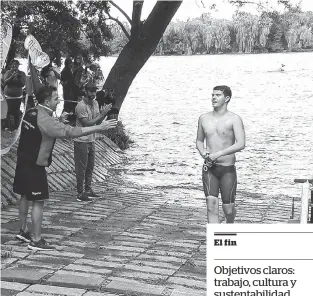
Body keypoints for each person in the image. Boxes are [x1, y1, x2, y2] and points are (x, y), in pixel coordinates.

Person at [13, 85, 117, 250]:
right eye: (56, 98)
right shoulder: (45, 120)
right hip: (35, 165)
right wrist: (99, 127)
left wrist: (59, 121)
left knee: (24, 196)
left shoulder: (31, 111)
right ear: (47, 100)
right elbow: (71, 132)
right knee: (38, 202)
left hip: (22, 161)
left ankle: (23, 230)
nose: (59, 100)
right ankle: (37, 240)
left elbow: (44, 127)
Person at [196, 85, 245, 224]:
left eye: (218, 95)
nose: (213, 98)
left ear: (227, 98)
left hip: (227, 169)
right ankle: (216, 239)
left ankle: (230, 222)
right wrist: (203, 151)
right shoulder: (203, 118)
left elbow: (241, 144)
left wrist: (219, 154)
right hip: (209, 168)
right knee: (211, 206)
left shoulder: (234, 119)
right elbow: (199, 141)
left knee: (228, 209)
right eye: (212, 95)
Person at [74, 82, 112, 201]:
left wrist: (103, 115)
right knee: (81, 167)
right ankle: (80, 193)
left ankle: (88, 189)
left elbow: (97, 123)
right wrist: (102, 114)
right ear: (85, 91)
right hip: (81, 140)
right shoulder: (80, 106)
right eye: (91, 91)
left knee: (90, 167)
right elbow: (87, 124)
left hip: (91, 140)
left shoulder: (95, 103)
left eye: (95, 91)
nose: (93, 94)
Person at [2, 60, 26, 131]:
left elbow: (22, 84)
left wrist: (18, 77)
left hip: (17, 97)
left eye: (16, 65)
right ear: (11, 65)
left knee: (16, 112)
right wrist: (12, 77)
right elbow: (5, 82)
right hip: (8, 96)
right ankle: (6, 126)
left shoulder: (22, 73)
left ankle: (16, 127)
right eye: (13, 64)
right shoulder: (8, 72)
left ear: (18, 66)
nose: (14, 66)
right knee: (7, 111)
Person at [61, 57, 75, 124]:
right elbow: (63, 82)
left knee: (70, 104)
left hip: (70, 89)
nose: (71, 64)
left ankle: (68, 118)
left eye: (71, 63)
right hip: (67, 90)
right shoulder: (65, 71)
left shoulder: (69, 70)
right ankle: (63, 118)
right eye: (69, 63)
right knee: (67, 104)